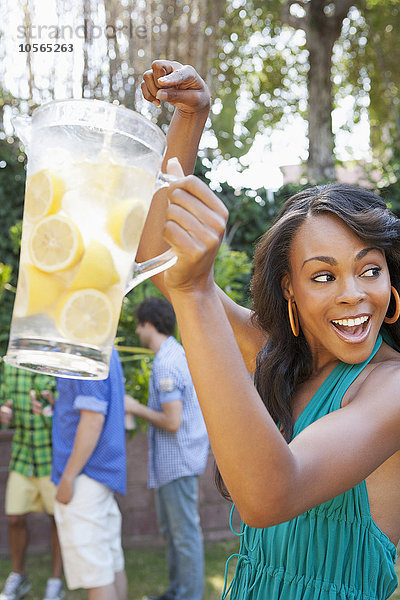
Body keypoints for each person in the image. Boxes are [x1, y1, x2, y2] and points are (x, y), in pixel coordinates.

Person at [137, 60, 400, 599]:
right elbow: (161, 268)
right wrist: (191, 119)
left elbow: (268, 495)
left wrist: (195, 291)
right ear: (289, 291)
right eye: (323, 276)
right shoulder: (279, 354)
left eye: (369, 269)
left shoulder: (390, 390)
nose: (354, 292)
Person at [125, 297, 209, 600]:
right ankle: (177, 592)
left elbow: (172, 421)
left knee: (184, 535)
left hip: (178, 463)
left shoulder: (166, 363)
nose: (136, 331)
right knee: (175, 534)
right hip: (178, 462)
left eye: (138, 325)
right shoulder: (175, 354)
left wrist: (135, 407)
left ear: (148, 324)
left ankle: (187, 595)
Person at [32, 347, 128, 600]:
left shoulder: (84, 350)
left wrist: (68, 477)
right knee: (110, 565)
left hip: (84, 478)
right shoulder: (105, 345)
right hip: (98, 476)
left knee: (96, 575)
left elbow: (93, 418)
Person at [0, 363, 64, 600]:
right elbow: (7, 401)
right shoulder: (11, 363)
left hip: (51, 456)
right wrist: (6, 411)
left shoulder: (55, 362)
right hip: (23, 455)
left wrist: (51, 405)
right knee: (14, 517)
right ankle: (19, 577)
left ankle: (55, 582)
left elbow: (67, 406)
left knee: (57, 519)